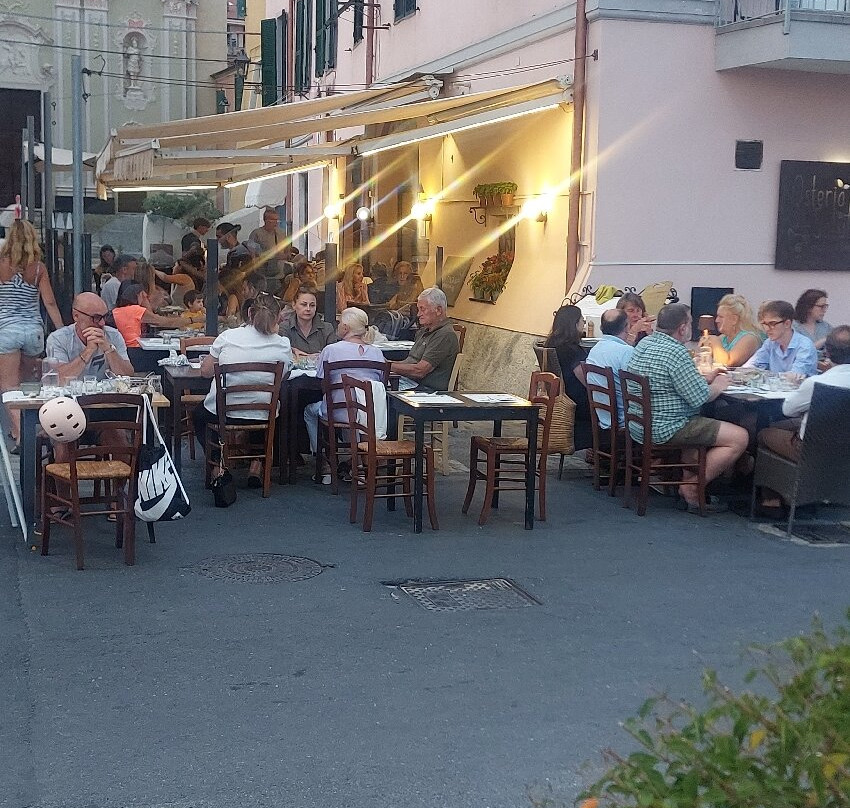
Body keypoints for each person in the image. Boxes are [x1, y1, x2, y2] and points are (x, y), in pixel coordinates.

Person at [626, 303, 748, 513]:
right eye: (690, 323)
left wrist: (705, 379)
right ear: (682, 328)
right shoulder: (676, 352)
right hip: (667, 427)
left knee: (697, 429)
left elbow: (676, 384)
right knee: (740, 437)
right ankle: (692, 487)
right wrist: (719, 384)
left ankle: (690, 485)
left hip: (640, 423)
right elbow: (700, 398)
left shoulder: (645, 343)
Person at [194, 292, 292, 486]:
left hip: (225, 411)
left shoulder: (227, 337)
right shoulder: (282, 344)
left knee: (199, 416)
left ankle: (218, 467)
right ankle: (256, 465)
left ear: (249, 313)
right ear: (277, 317)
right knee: (260, 407)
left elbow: (205, 372)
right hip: (263, 413)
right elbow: (284, 376)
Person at [756, 325, 850, 513]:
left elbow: (788, 409)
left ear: (827, 352)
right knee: (787, 426)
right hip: (845, 449)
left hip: (810, 449)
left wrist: (799, 387)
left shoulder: (817, 383)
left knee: (765, 433)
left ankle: (772, 499)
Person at [0, 220, 64, 448]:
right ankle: (28, 429)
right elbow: (50, 303)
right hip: (33, 332)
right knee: (29, 387)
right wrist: (61, 330)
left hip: (6, 330)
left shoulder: (1, 263)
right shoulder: (38, 269)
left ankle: (21, 435)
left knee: (8, 387)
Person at [304, 307, 387, 482]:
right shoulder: (377, 353)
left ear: (346, 327)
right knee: (357, 413)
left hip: (338, 411)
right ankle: (358, 466)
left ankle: (324, 464)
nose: (338, 325)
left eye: (340, 322)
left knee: (310, 411)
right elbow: (379, 383)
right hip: (368, 412)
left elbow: (322, 382)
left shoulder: (331, 350)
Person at [46, 292, 134, 383]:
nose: (102, 323)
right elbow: (58, 380)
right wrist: (88, 351)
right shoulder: (58, 339)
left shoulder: (113, 335)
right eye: (96, 317)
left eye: (105, 316)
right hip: (72, 391)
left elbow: (128, 377)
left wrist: (109, 350)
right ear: (76, 316)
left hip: (105, 391)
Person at [390, 287, 459, 391]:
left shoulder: (445, 335)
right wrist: (383, 363)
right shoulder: (424, 331)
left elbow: (420, 371)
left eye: (423, 309)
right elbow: (410, 362)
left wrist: (386, 366)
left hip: (427, 390)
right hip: (410, 383)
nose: (418, 314)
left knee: (377, 391)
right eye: (418, 309)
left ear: (438, 310)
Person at [545, 304, 591, 448]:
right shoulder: (572, 350)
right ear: (574, 324)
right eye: (582, 319)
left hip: (562, 395)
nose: (584, 322)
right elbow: (586, 380)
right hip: (577, 402)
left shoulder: (551, 343)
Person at [583, 308, 634, 429]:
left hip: (604, 419)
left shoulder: (594, 350)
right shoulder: (626, 352)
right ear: (627, 327)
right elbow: (635, 388)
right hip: (625, 422)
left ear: (601, 327)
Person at [746, 300, 817, 378]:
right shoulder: (769, 343)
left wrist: (764, 375)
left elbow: (794, 377)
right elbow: (750, 366)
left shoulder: (805, 345)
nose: (767, 329)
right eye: (764, 324)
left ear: (787, 324)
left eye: (772, 323)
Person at [110, 281, 191, 348]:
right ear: (137, 295)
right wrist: (192, 320)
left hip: (126, 348)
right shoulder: (135, 310)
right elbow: (162, 322)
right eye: (143, 293)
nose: (146, 295)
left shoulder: (116, 310)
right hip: (135, 349)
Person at [706, 294, 762, 367]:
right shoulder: (723, 338)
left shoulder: (750, 338)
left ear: (734, 319)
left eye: (721, 317)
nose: (716, 320)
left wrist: (715, 342)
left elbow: (727, 363)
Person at [280, 287, 337, 358]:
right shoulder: (284, 327)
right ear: (294, 305)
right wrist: (292, 350)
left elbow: (333, 355)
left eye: (312, 305)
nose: (308, 309)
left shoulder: (327, 329)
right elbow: (281, 351)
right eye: (304, 304)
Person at [248, 207, 289, 289]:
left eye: (277, 220)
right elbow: (252, 254)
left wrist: (284, 256)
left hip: (279, 274)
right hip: (263, 274)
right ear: (266, 220)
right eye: (273, 220)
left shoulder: (282, 234)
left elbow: (288, 251)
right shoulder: (256, 234)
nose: (276, 223)